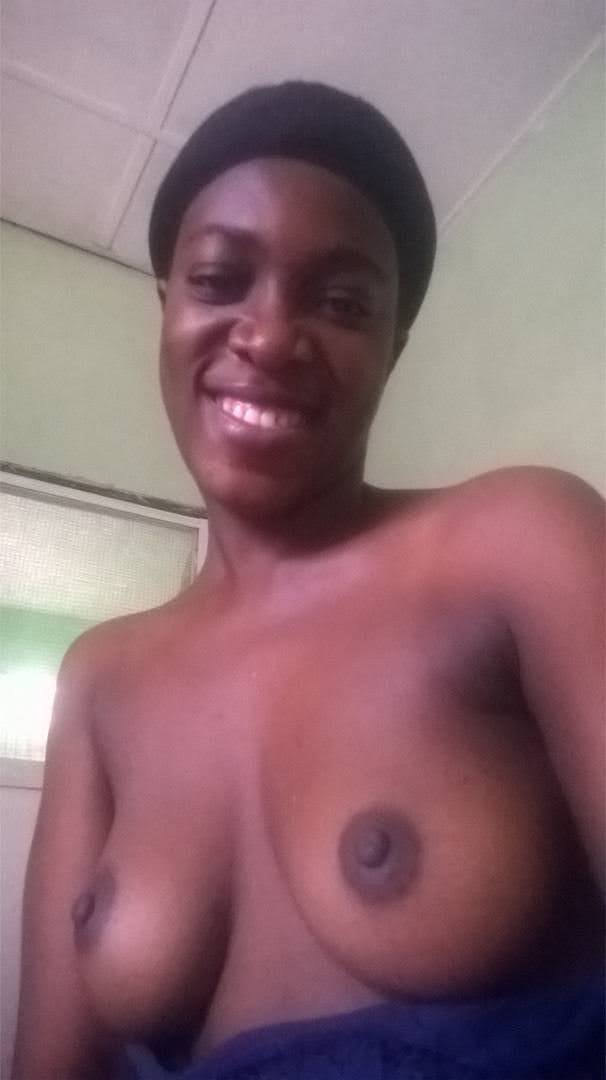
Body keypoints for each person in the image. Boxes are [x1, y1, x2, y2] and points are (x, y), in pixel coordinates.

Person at [13, 82, 604, 1080]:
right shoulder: (99, 679)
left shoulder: (521, 542)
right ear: (167, 308)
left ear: (391, 350)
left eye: (340, 302)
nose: (270, 335)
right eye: (220, 279)